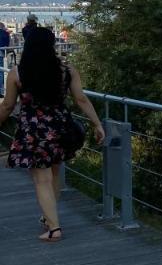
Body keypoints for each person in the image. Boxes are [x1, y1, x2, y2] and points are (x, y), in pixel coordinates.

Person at [0, 27, 105, 242]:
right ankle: (48, 217)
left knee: (41, 178)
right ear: (51, 46)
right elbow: (81, 99)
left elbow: (8, 105)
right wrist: (97, 124)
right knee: (55, 172)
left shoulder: (17, 73)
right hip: (60, 127)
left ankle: (54, 228)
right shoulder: (67, 70)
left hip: (33, 130)